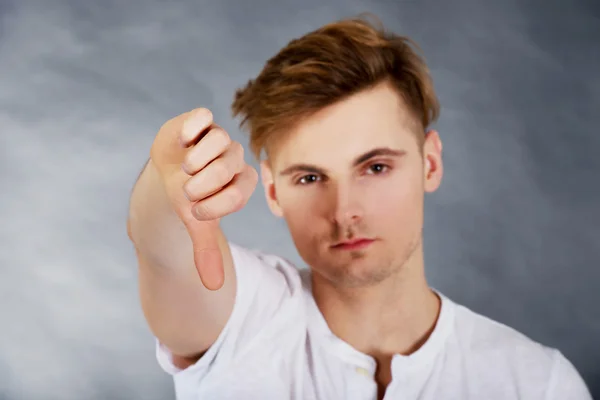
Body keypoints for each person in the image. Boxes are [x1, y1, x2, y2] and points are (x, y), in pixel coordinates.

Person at [126, 15, 592, 400]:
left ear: (429, 164)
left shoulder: (537, 383)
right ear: (272, 190)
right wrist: (166, 187)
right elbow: (164, 254)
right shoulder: (244, 321)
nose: (344, 210)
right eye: (310, 178)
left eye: (375, 168)